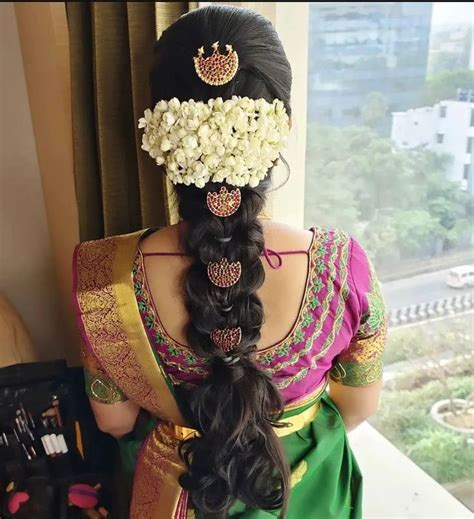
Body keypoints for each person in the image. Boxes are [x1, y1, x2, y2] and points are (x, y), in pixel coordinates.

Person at [72, 5, 387, 519]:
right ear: (277, 126)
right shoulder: (340, 266)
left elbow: (113, 421)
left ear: (161, 133)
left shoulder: (103, 276)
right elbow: (357, 406)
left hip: (179, 493)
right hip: (301, 492)